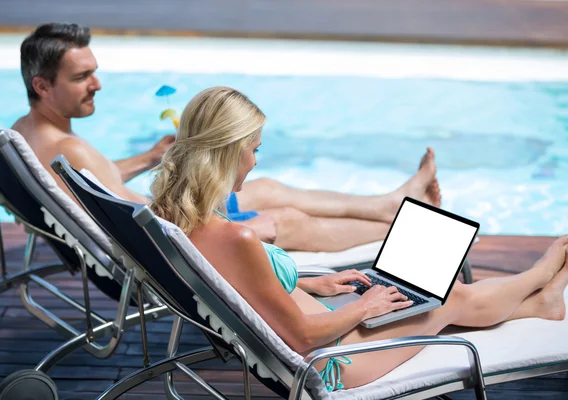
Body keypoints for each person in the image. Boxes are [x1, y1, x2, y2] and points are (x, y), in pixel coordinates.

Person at [149, 86, 568, 390]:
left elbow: (244, 287)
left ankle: (539, 303)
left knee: (417, 297)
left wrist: (312, 283)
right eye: (253, 149)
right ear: (227, 151)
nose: (255, 162)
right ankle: (538, 276)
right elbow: (301, 337)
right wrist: (365, 306)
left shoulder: (175, 218)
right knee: (448, 298)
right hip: (333, 361)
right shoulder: (234, 235)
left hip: (322, 330)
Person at [12, 22, 441, 252]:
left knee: (265, 187)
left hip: (165, 221)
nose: (97, 84)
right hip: (174, 238)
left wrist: (151, 157)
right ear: (42, 86)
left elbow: (98, 181)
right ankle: (403, 232)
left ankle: (390, 206)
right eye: (82, 76)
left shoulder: (29, 136)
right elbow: (122, 219)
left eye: (94, 71)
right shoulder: (65, 147)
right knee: (286, 219)